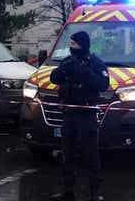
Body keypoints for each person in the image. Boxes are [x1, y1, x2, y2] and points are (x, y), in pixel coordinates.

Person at [49, 31, 110, 201]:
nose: (71, 47)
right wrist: (62, 70)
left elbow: (103, 84)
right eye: (71, 44)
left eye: (74, 44)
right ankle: (67, 190)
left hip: (87, 114)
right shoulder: (68, 61)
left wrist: (82, 72)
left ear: (83, 45)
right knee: (68, 154)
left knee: (90, 155)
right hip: (69, 114)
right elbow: (54, 78)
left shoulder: (95, 63)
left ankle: (95, 192)